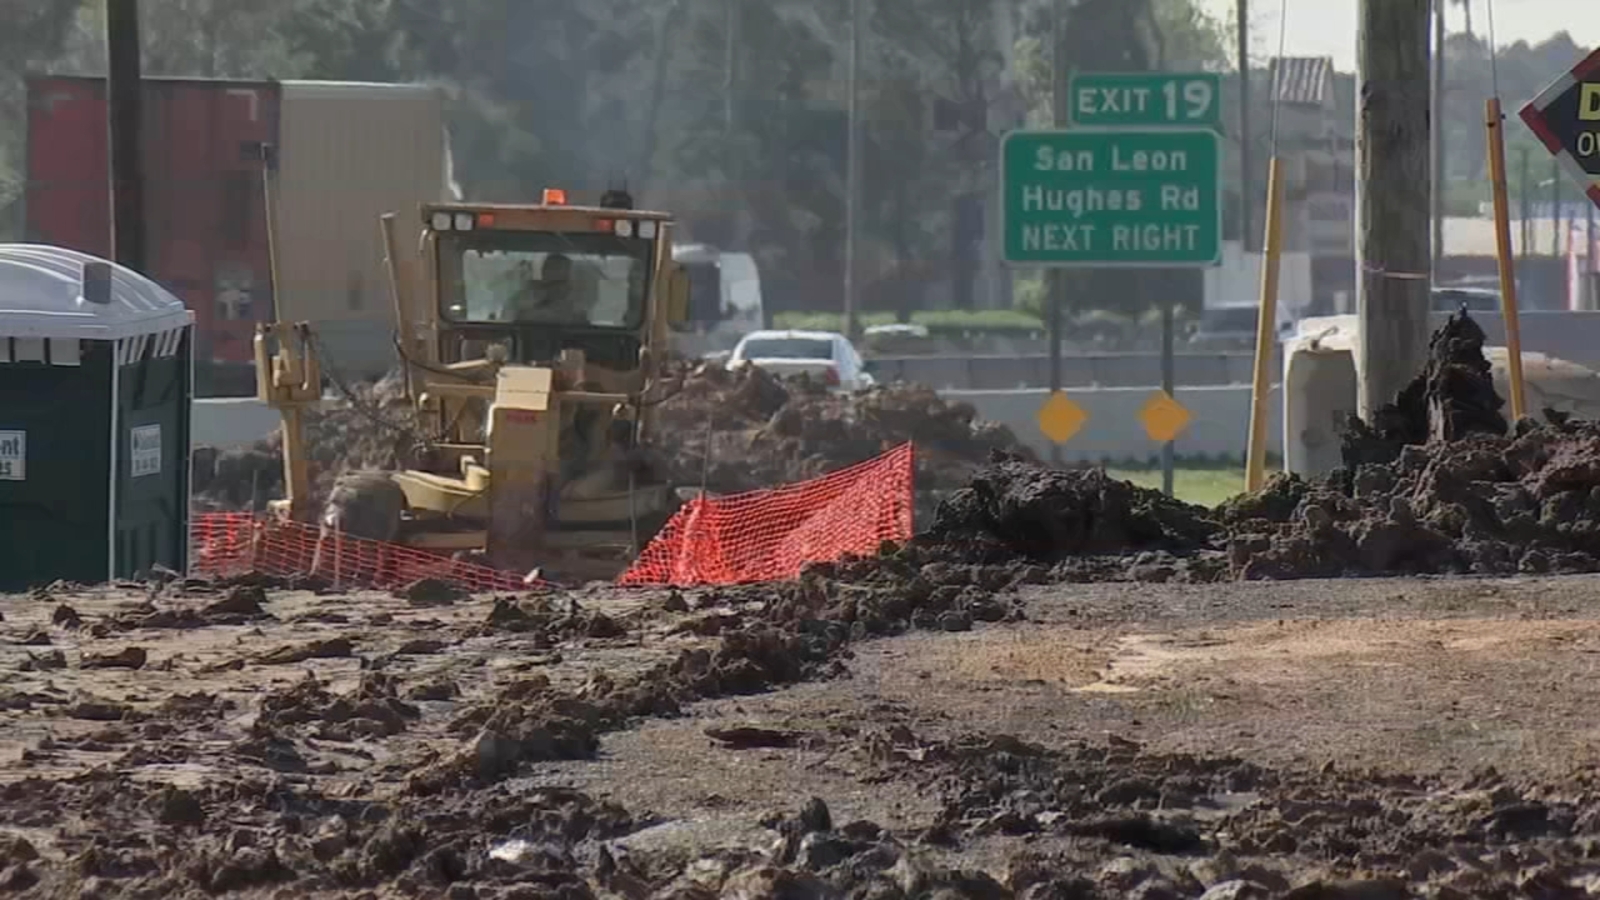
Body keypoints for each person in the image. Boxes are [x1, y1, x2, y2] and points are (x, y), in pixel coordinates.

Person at [511, 253, 588, 323]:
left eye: (557, 268)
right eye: (548, 268)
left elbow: (585, 333)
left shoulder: (578, 307)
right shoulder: (523, 299)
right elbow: (507, 326)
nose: (551, 272)